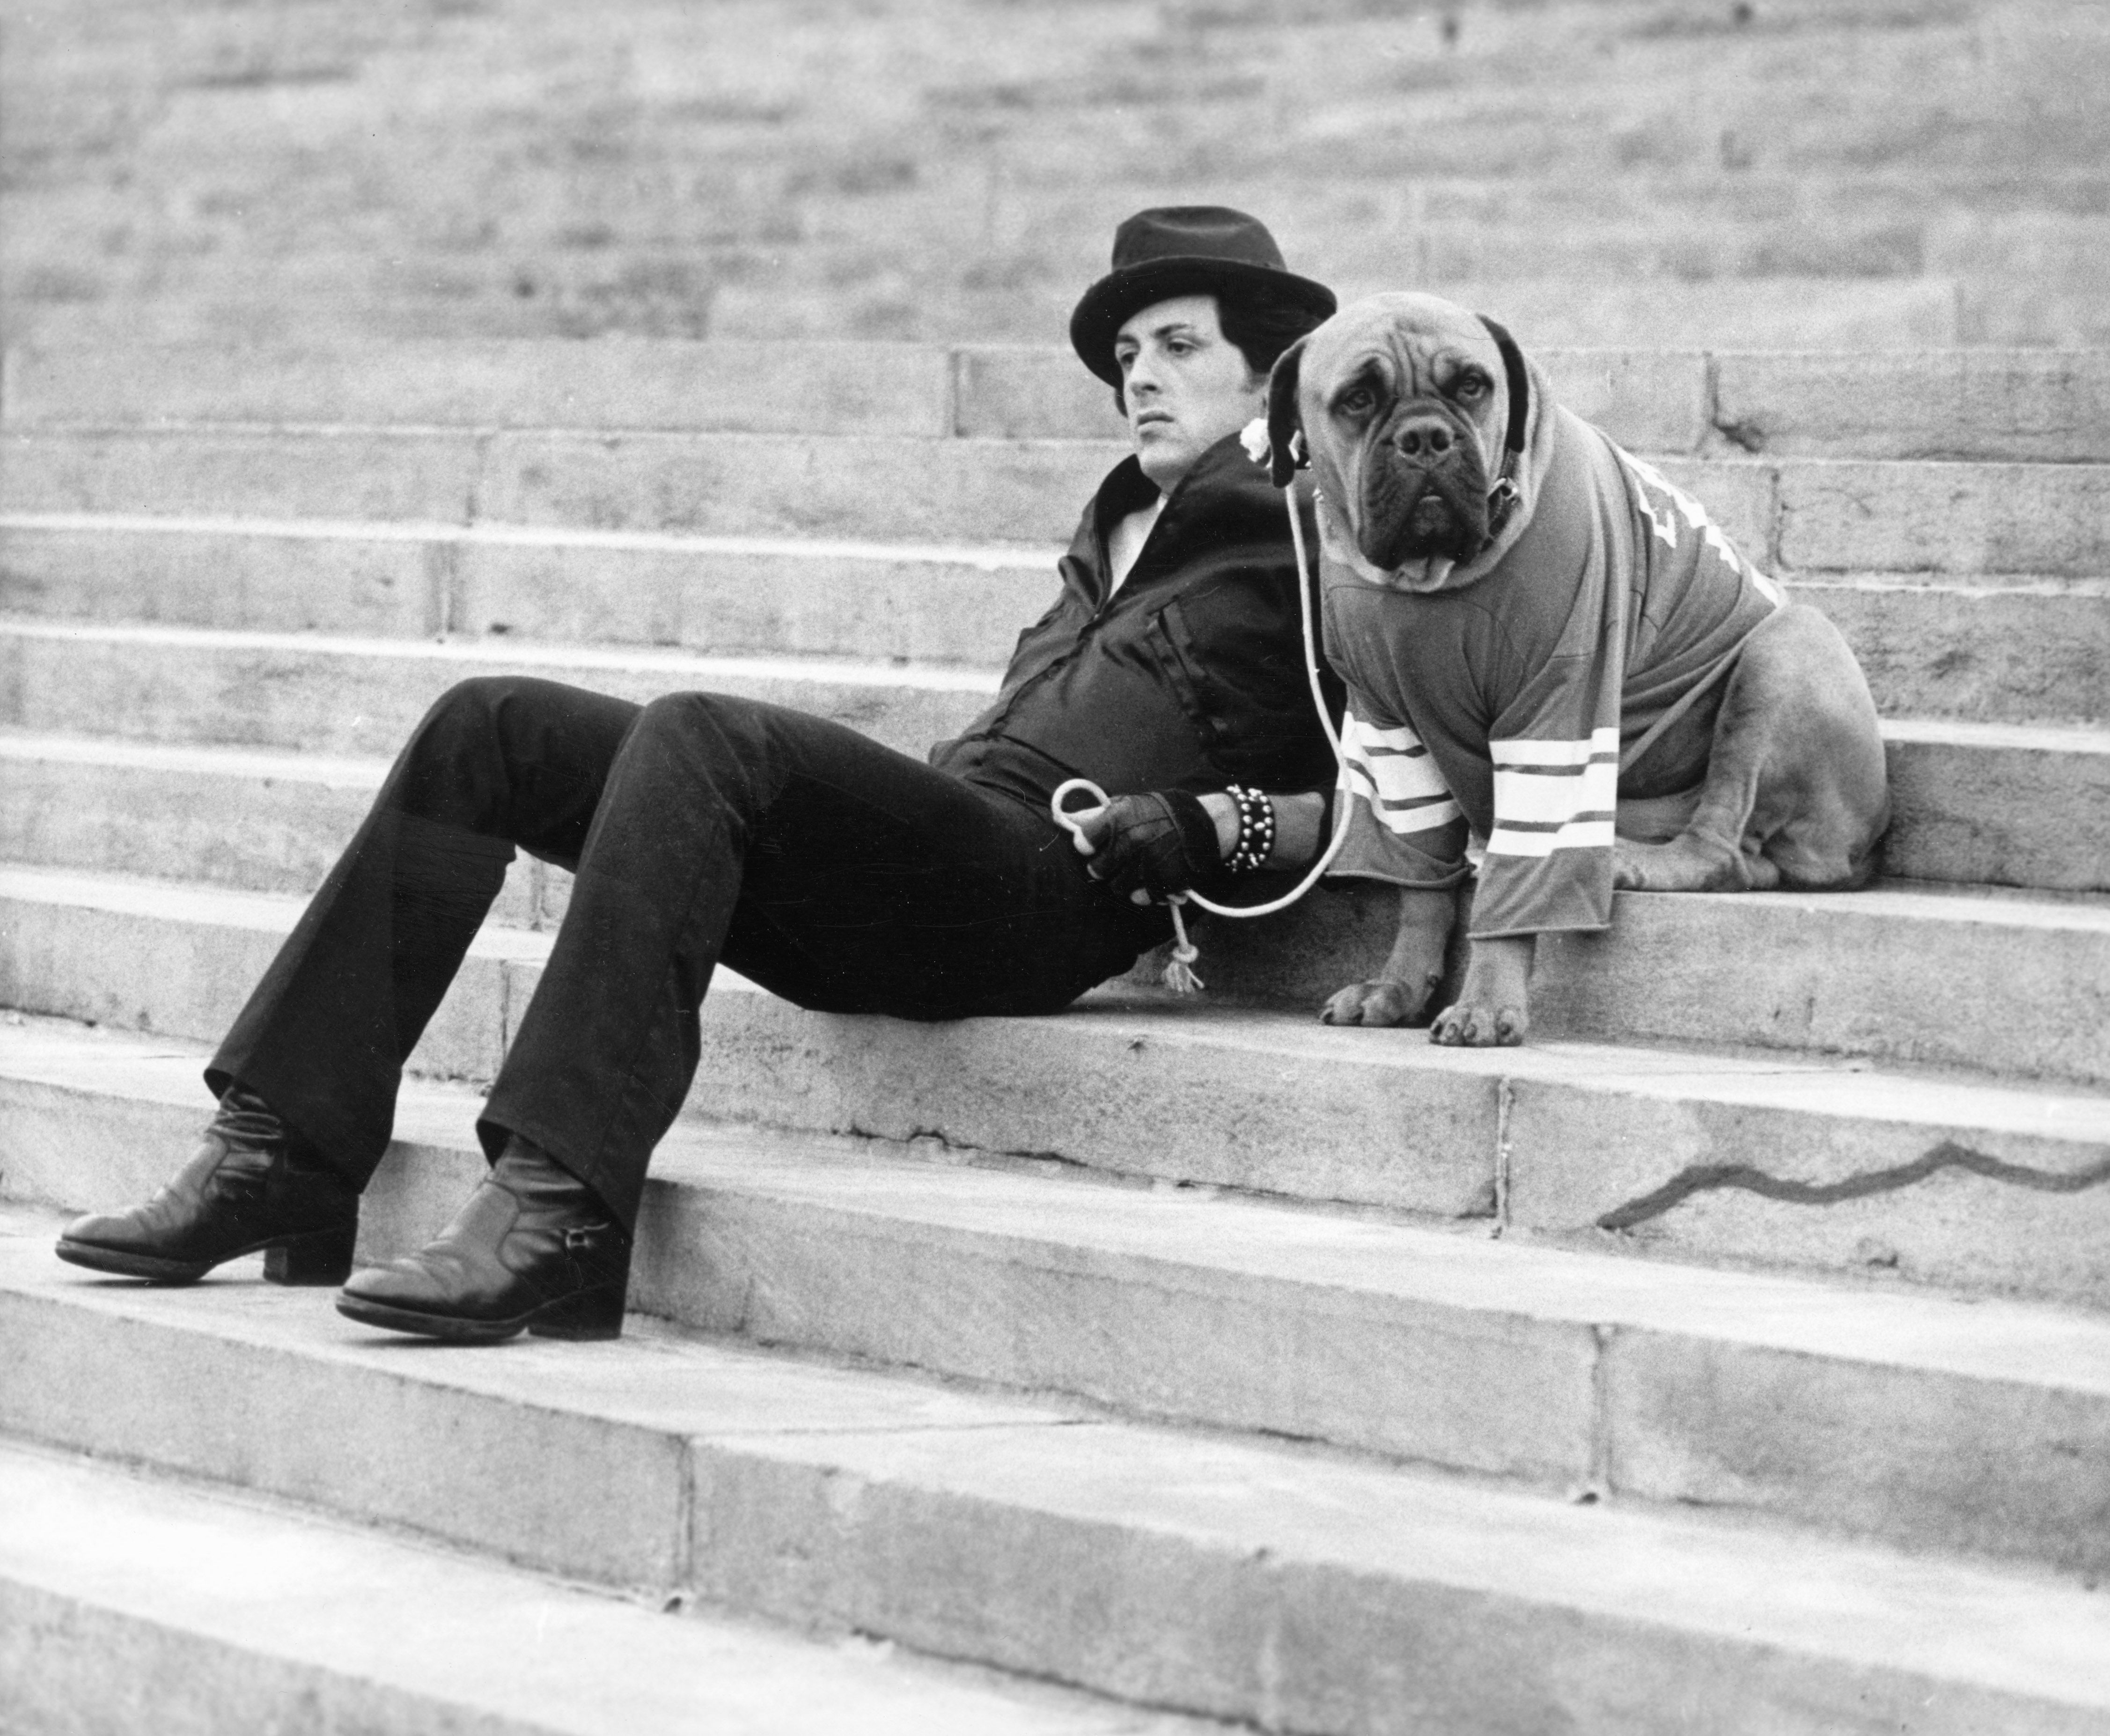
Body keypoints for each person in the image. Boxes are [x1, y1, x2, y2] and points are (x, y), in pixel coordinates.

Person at [55, 207, 1342, 1344]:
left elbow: (1392, 792)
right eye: (1125, 358)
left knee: (703, 728)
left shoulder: (1314, 529)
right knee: (488, 722)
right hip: (941, 858)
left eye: (1177, 347)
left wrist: (1214, 823)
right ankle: (285, 1147)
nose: (1138, 379)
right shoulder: (1110, 528)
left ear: (1271, 367)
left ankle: (558, 1204)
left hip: (1046, 893)